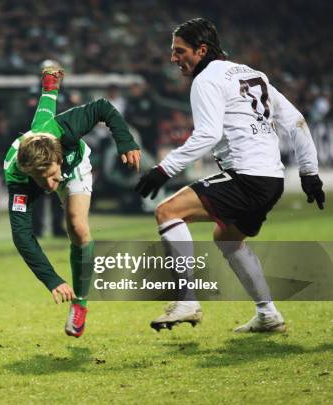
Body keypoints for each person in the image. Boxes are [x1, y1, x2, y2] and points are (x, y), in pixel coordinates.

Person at [135, 18, 325, 333]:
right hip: (271, 180)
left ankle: (186, 301)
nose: (173, 58)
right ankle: (268, 314)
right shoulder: (253, 74)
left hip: (246, 176)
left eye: (179, 51)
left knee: (168, 212)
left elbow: (207, 135)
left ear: (202, 50)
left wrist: (163, 169)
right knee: (227, 239)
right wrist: (310, 173)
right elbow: (296, 121)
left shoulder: (206, 79)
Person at [4, 66, 141, 337]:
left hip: (75, 166)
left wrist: (125, 142)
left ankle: (80, 303)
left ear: (57, 155)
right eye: (42, 181)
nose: (50, 186)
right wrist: (51, 280)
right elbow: (21, 235)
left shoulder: (65, 130)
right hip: (41, 172)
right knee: (37, 218)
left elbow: (103, 107)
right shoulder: (17, 178)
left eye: (52, 177)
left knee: (77, 227)